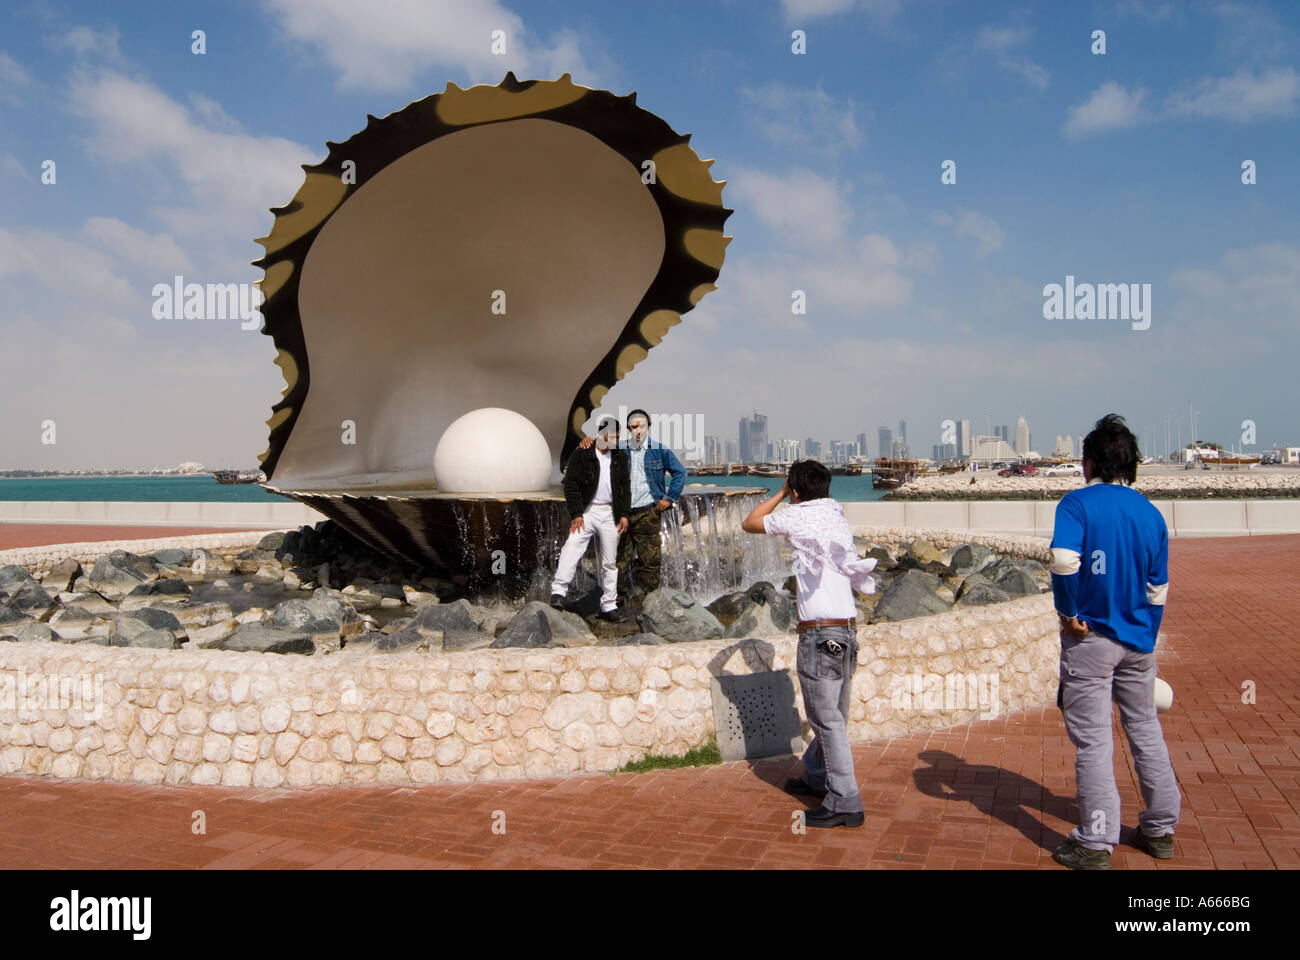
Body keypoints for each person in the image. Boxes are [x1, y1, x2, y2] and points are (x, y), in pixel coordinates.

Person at [1049, 413, 1179, 870]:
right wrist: (1148, 629)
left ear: (1089, 462)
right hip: (1139, 641)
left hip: (1092, 639)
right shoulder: (1150, 513)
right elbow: (1156, 589)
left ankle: (1096, 839)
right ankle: (1160, 827)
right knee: (1145, 729)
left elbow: (1064, 560)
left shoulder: (1077, 505)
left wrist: (1068, 614)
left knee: (1094, 742)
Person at [741, 459, 877, 829]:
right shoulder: (835, 514)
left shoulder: (796, 516)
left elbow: (750, 522)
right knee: (835, 715)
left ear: (797, 490)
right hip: (847, 630)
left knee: (827, 720)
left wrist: (783, 493)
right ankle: (818, 775)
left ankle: (845, 801)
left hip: (820, 635)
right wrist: (796, 491)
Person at [579, 408, 686, 604]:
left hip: (648, 512)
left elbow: (680, 473)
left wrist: (669, 498)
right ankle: (615, 599)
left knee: (650, 560)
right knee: (619, 559)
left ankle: (649, 601)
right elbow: (597, 449)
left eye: (641, 426)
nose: (638, 430)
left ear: (647, 427)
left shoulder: (659, 450)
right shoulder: (619, 448)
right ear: (628, 428)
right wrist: (588, 440)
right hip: (622, 513)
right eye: (633, 426)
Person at [550, 416, 630, 622]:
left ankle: (609, 606)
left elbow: (624, 486)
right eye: (613, 437)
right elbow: (571, 485)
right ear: (601, 435)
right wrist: (576, 514)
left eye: (619, 438)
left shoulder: (620, 456)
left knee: (610, 561)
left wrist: (623, 514)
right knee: (572, 547)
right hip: (587, 512)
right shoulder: (583, 453)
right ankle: (558, 593)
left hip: (610, 513)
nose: (616, 442)